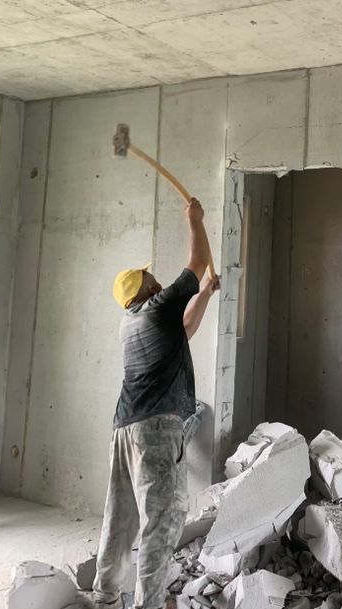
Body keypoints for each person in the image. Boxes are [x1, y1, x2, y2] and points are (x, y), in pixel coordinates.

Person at [92, 198, 219, 609]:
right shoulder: (159, 307)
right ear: (147, 289)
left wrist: (204, 294)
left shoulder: (133, 323)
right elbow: (198, 260)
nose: (157, 278)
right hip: (156, 431)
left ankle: (104, 595)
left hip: (124, 429)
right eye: (151, 276)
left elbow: (185, 329)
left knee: (121, 517)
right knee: (162, 522)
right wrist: (194, 220)